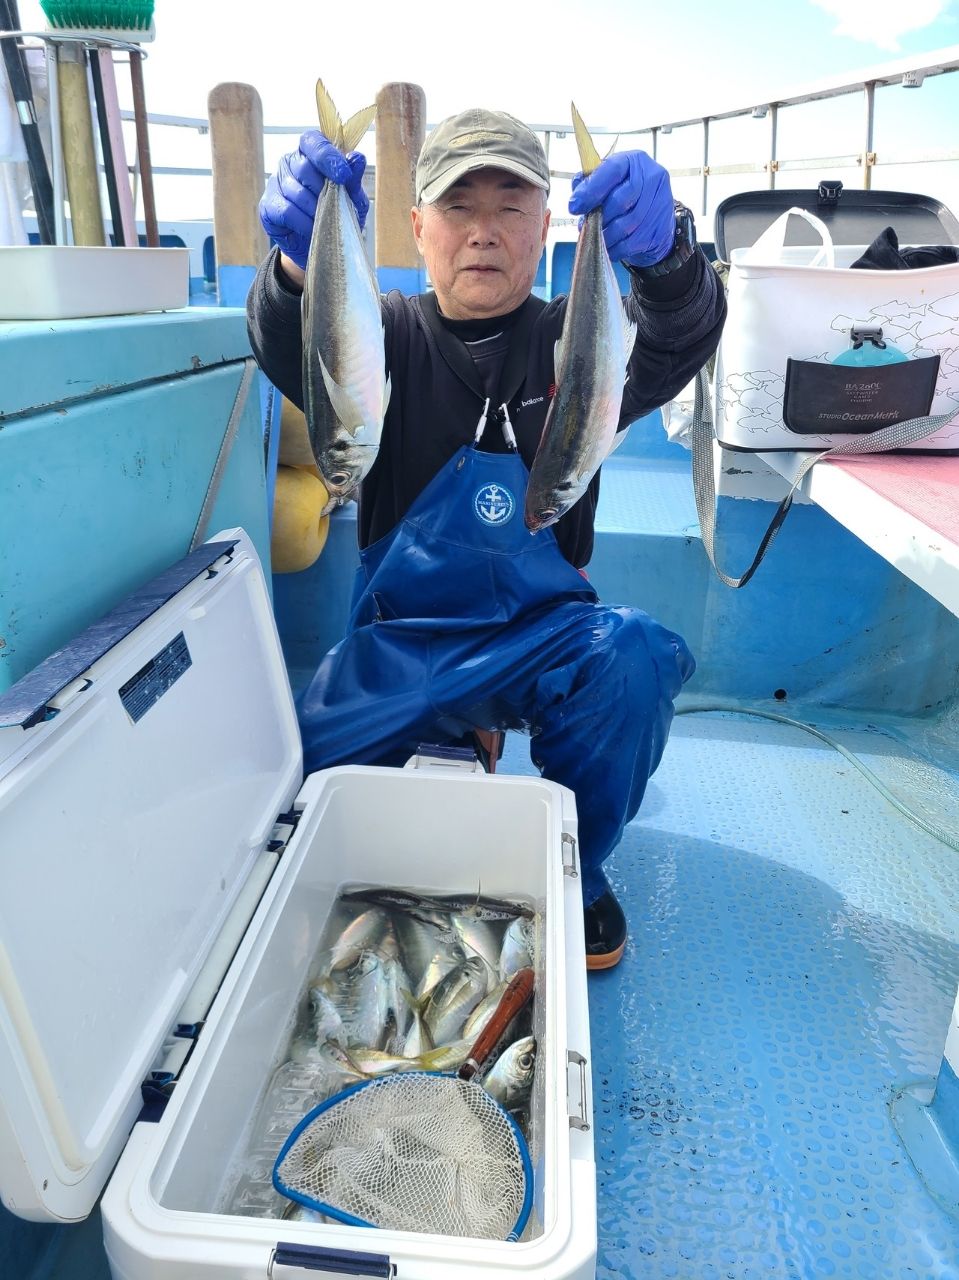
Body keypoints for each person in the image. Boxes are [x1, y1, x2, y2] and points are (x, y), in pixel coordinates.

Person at [248, 107, 726, 969]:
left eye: (510, 206)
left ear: (546, 225)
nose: (482, 232)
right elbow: (289, 338)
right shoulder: (382, 334)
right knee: (291, 809)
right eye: (457, 206)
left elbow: (680, 332)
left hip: (542, 637)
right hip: (401, 644)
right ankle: (461, 732)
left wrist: (667, 258)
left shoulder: (575, 341)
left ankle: (578, 867)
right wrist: (292, 266)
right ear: (416, 226)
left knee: (634, 656)